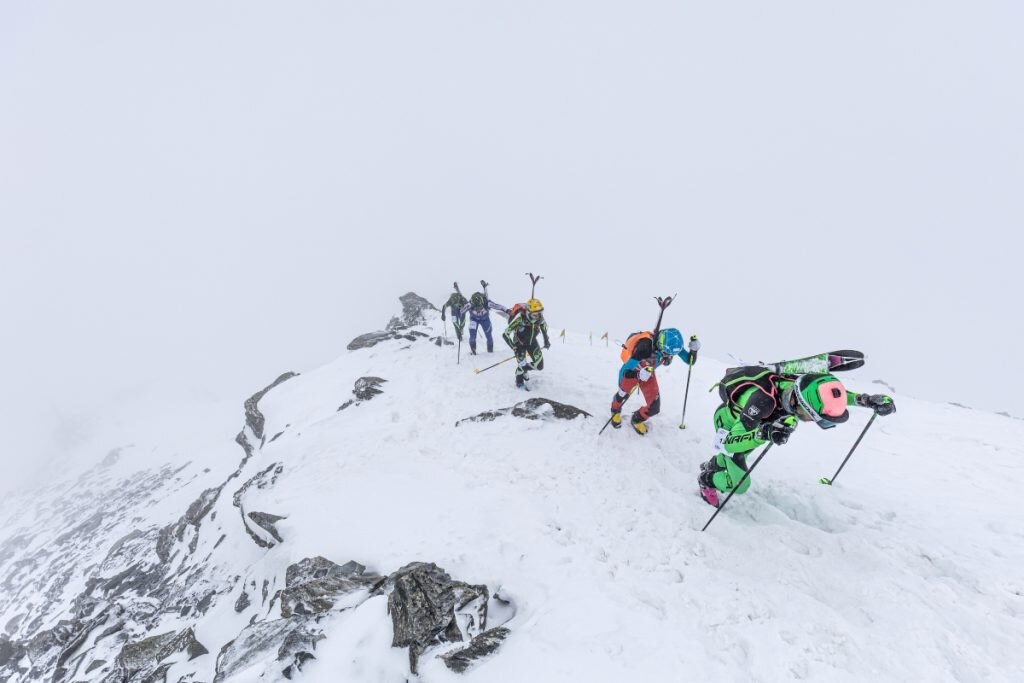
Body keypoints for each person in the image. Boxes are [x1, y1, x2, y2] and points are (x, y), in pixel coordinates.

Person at [698, 369, 896, 507]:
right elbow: (731, 443)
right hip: (731, 426)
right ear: (798, 403)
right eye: (810, 416)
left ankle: (715, 464)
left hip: (757, 427)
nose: (809, 421)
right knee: (740, 484)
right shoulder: (761, 401)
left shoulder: (797, 388)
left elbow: (834, 396)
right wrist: (764, 433)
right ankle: (707, 479)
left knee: (739, 455)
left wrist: (866, 400)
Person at [610, 328, 700, 435]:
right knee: (622, 395)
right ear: (661, 345)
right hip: (632, 373)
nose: (667, 356)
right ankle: (615, 410)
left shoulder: (673, 344)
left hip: (648, 373)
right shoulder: (645, 347)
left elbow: (689, 361)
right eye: (666, 354)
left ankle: (637, 419)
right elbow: (625, 370)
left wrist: (694, 351)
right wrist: (636, 377)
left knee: (654, 407)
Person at [503, 298, 551, 390]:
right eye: (535, 314)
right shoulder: (520, 318)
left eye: (540, 313)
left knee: (539, 366)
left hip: (532, 342)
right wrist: (514, 347)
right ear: (529, 313)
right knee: (521, 364)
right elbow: (505, 334)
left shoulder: (539, 318)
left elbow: (544, 327)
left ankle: (524, 369)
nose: (538, 316)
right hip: (519, 344)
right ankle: (519, 382)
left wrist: (546, 340)